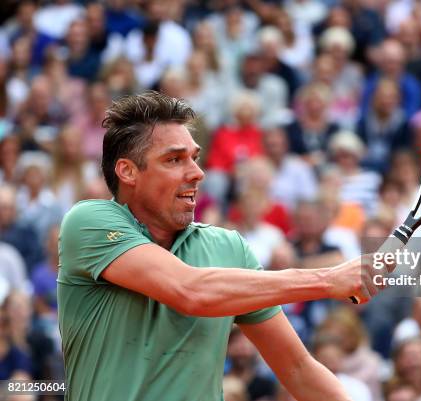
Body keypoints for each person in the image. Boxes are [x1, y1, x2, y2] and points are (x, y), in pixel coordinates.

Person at [57, 92, 385, 401]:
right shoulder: (88, 222)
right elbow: (190, 291)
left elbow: (298, 368)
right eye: (174, 160)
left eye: (195, 158)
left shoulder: (229, 248)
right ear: (127, 171)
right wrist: (327, 280)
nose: (197, 173)